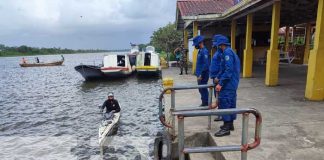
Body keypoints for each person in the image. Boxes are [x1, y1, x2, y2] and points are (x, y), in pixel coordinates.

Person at [213, 35, 240, 137]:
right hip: (232, 83)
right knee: (231, 102)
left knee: (225, 103)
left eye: (218, 45)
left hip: (228, 83)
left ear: (221, 45)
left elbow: (228, 70)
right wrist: (218, 77)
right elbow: (224, 68)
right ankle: (230, 125)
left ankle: (226, 127)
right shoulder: (229, 51)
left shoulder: (227, 52)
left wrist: (220, 83)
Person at [209, 35, 223, 121]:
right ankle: (220, 113)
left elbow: (223, 67)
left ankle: (221, 114)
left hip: (218, 78)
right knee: (217, 95)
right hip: (215, 77)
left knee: (220, 96)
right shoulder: (217, 52)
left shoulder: (221, 54)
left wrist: (218, 77)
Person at [193, 35, 209, 106]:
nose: (195, 46)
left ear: (200, 43)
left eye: (196, 44)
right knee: (200, 89)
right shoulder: (200, 51)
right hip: (199, 74)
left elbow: (205, 64)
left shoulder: (204, 51)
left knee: (203, 88)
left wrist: (201, 75)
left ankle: (205, 103)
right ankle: (204, 101)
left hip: (203, 74)